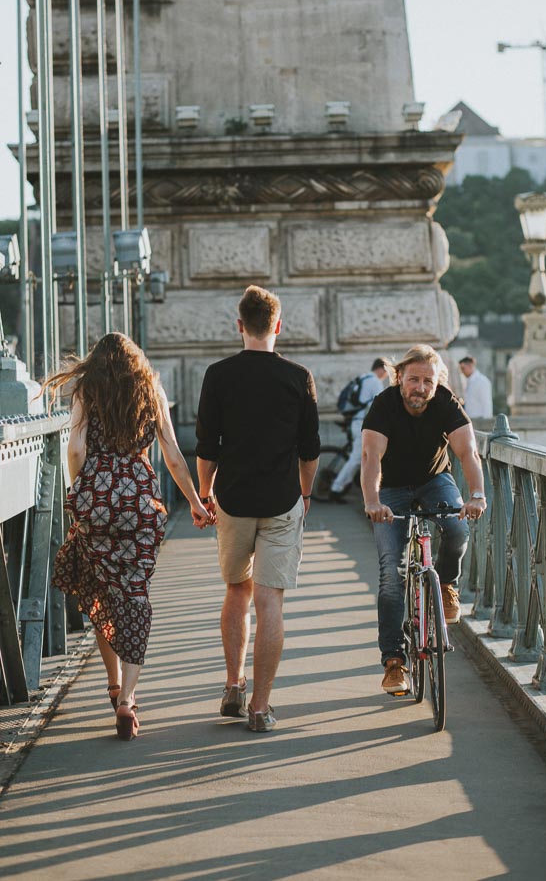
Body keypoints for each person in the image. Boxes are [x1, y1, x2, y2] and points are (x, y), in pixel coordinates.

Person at [44, 333, 212, 741]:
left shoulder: (87, 389)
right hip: (139, 500)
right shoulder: (151, 390)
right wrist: (195, 502)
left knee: (102, 592)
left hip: (96, 499)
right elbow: (172, 455)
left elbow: (75, 448)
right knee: (134, 595)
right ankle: (128, 699)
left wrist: (79, 494)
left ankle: (113, 682)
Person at [196, 285, 320, 733]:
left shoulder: (218, 375)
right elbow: (310, 450)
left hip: (232, 500)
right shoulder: (298, 377)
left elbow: (207, 447)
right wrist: (305, 494)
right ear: (278, 326)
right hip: (282, 500)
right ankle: (260, 708)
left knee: (237, 591)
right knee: (271, 602)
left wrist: (204, 494)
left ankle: (233, 685)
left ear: (240, 326)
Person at [361, 344, 487, 696]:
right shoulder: (384, 405)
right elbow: (371, 456)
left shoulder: (446, 403)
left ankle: (446, 585)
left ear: (437, 383)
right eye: (413, 379)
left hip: (434, 480)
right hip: (391, 488)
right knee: (392, 573)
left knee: (457, 527)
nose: (420, 387)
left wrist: (477, 494)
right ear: (399, 377)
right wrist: (372, 501)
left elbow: (468, 452)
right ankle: (394, 662)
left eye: (428, 381)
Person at [329, 357, 390, 501]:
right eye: (387, 372)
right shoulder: (375, 382)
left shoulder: (363, 377)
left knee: (360, 457)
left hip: (355, 422)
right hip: (362, 424)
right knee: (357, 458)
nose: (386, 376)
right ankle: (336, 489)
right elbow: (380, 406)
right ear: (382, 369)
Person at [458, 355, 493, 419]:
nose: (461, 371)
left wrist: (487, 422)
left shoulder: (482, 381)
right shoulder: (466, 381)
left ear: (470, 366)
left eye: (463, 368)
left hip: (480, 419)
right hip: (470, 419)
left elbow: (487, 404)